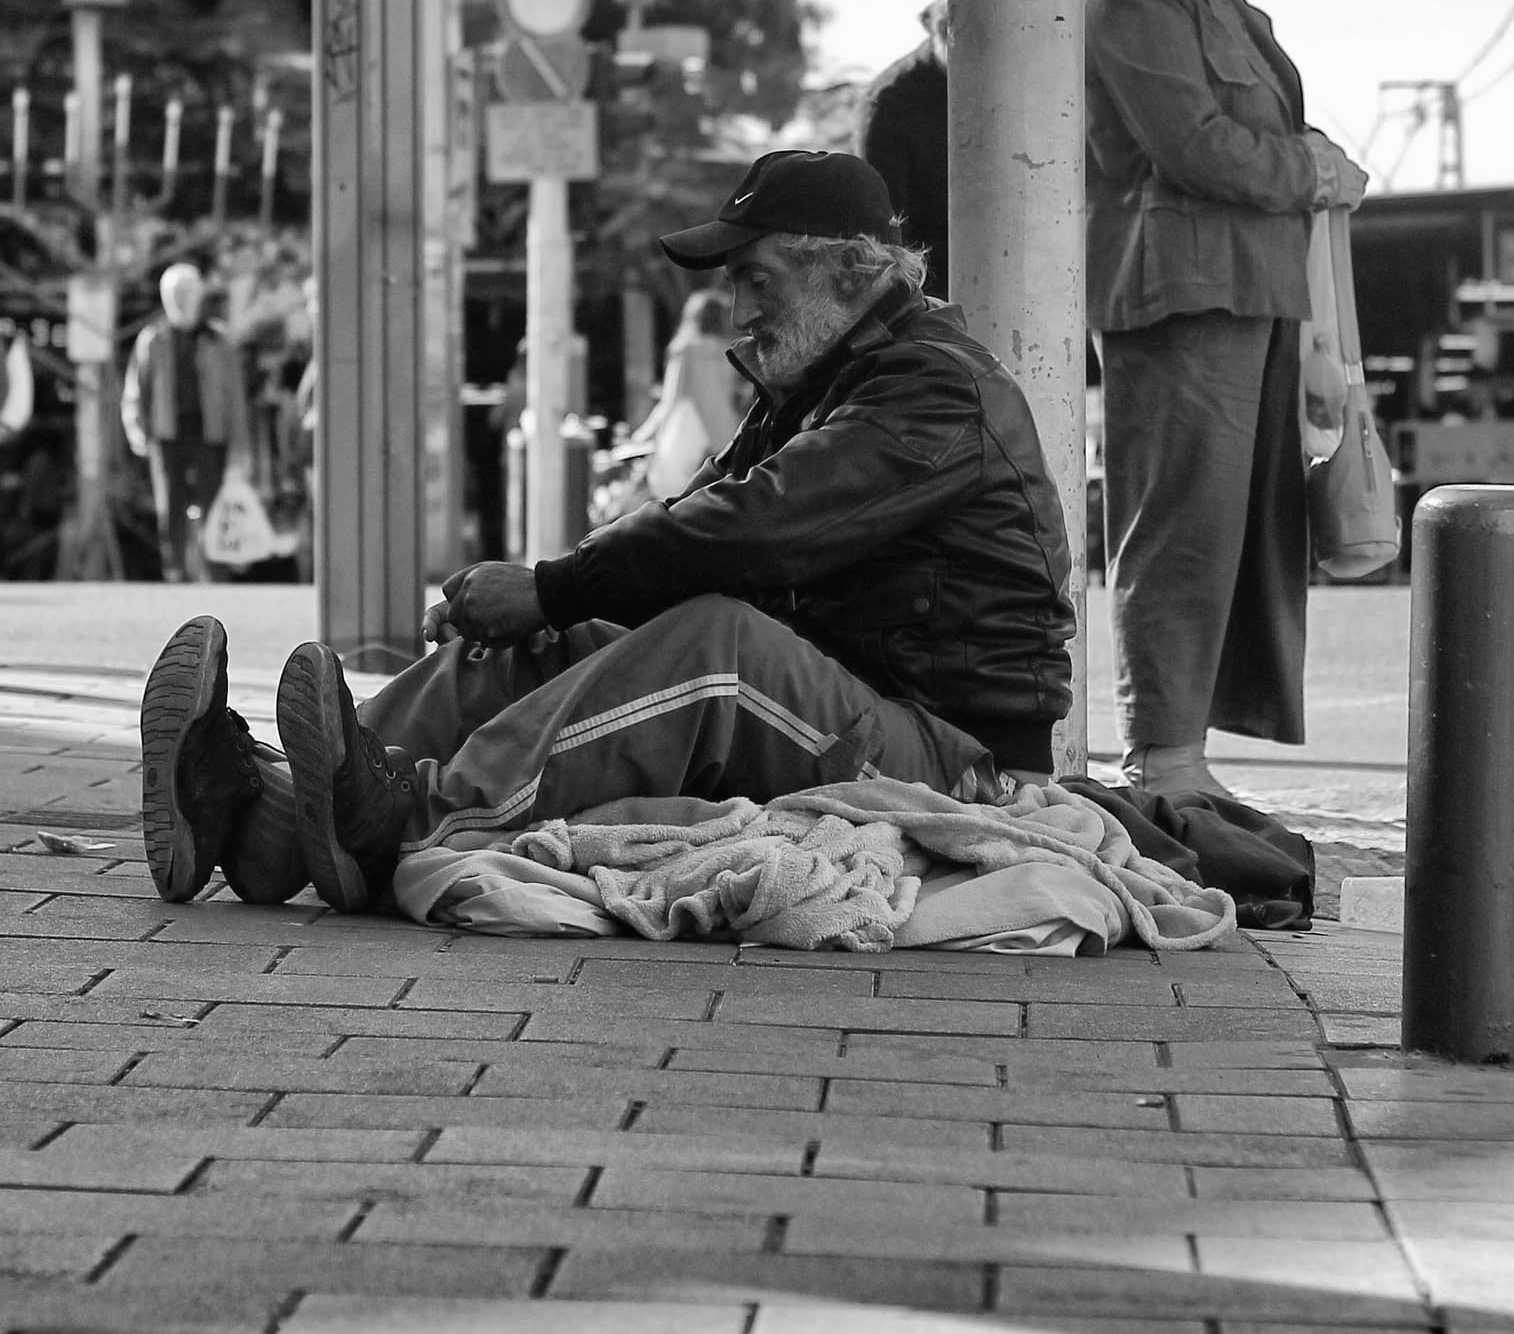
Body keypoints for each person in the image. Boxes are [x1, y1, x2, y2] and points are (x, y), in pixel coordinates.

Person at [135, 150, 1077, 916]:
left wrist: (553, 580)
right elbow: (685, 520)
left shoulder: (935, 384)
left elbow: (747, 532)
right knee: (555, 638)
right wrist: (548, 605)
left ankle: (403, 814)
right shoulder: (821, 378)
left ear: (843, 269)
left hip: (950, 752)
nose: (740, 311)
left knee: (716, 645)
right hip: (847, 697)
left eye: (757, 279)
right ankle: (274, 806)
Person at [1084, 0, 1367, 799]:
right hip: (1180, 292)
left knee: (1238, 533)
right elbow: (1194, 145)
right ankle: (1160, 759)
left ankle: (1186, 755)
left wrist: (1313, 159)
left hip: (1250, 290)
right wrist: (1314, 170)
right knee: (1181, 528)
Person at [120, 262, 250, 584]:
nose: (180, 299)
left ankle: (213, 571)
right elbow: (136, 390)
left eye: (187, 293)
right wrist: (137, 428)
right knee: (171, 509)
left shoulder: (220, 340)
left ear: (199, 295)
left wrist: (239, 448)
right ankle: (175, 572)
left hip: (211, 434)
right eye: (174, 293)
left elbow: (234, 397)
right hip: (168, 434)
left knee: (213, 506)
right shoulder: (153, 339)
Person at [859, 0, 951, 297]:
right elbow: (884, 226)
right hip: (930, 289)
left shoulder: (1020, 85)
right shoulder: (891, 100)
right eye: (949, 23)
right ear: (931, 22)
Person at [629, 287, 749, 499]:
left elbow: (671, 398)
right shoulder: (731, 351)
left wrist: (644, 434)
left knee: (677, 498)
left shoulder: (686, 350)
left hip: (689, 431)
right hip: (725, 432)